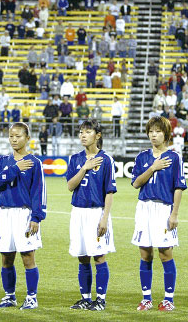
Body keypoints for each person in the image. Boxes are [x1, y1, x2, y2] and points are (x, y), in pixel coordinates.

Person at [131, 116, 187, 312]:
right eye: (151, 131)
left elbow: (178, 188)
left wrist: (174, 214)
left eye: (158, 131)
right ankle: (146, 298)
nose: (154, 135)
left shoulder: (174, 158)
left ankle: (168, 299)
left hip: (164, 209)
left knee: (165, 254)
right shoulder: (142, 157)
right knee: (145, 254)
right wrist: (153, 167)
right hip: (144, 208)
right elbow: (136, 183)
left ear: (166, 134)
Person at [0, 123, 46, 310]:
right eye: (11, 136)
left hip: (25, 214)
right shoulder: (2, 161)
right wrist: (15, 167)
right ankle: (9, 296)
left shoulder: (35, 163)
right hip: (5, 213)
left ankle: (32, 297)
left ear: (27, 138)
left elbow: (39, 191)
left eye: (18, 136)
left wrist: (36, 217)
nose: (14, 139)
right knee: (6, 257)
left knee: (27, 256)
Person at [66, 119, 117, 311]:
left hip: (96, 213)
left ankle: (100, 299)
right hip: (78, 212)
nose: (83, 135)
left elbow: (109, 192)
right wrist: (84, 168)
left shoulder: (106, 160)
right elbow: (70, 185)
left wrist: (104, 218)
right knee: (82, 256)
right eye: (81, 132)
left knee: (99, 256)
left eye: (87, 132)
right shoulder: (75, 159)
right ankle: (86, 298)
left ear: (98, 135)